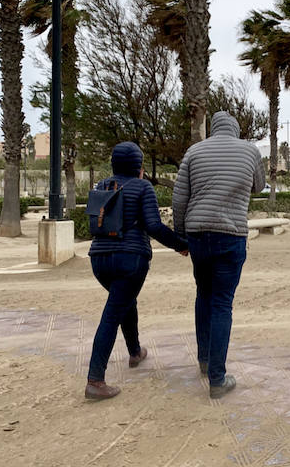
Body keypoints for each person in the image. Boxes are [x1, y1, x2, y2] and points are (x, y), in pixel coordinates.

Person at [173, 111, 266, 399]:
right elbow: (259, 186)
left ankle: (204, 359)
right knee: (222, 304)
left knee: (203, 294)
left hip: (199, 234)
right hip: (231, 234)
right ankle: (217, 377)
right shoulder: (250, 151)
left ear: (213, 129)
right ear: (236, 130)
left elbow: (179, 198)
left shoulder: (194, 151)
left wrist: (181, 236)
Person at [85, 142, 188, 401]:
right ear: (139, 167)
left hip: (99, 259)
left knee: (124, 302)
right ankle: (95, 380)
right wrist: (181, 245)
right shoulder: (143, 187)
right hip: (130, 259)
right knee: (112, 314)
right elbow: (153, 226)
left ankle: (135, 352)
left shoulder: (102, 186)